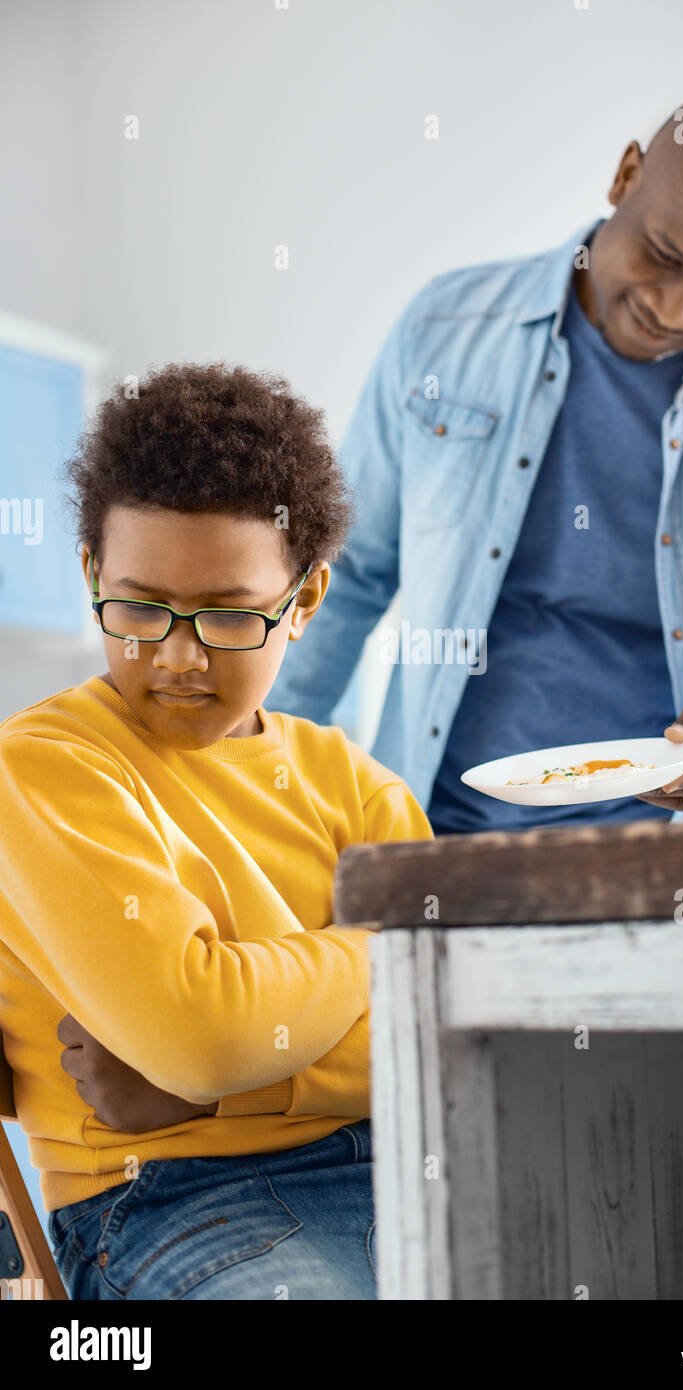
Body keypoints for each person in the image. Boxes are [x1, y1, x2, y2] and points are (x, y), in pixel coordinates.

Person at [268, 85, 683, 833]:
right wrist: (254, 779)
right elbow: (342, 578)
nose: (677, 311)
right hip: (423, 839)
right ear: (625, 177)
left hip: (664, 874)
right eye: (664, 254)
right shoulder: (445, 330)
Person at [0, 362, 432, 1300]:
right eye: (139, 607)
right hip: (168, 1202)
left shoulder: (356, 786)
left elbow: (439, 1033)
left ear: (305, 602)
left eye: (231, 615)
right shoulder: (47, 765)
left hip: (411, 1172)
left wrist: (225, 1087)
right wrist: (375, 942)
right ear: (91, 576)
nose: (178, 656)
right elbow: (198, 1030)